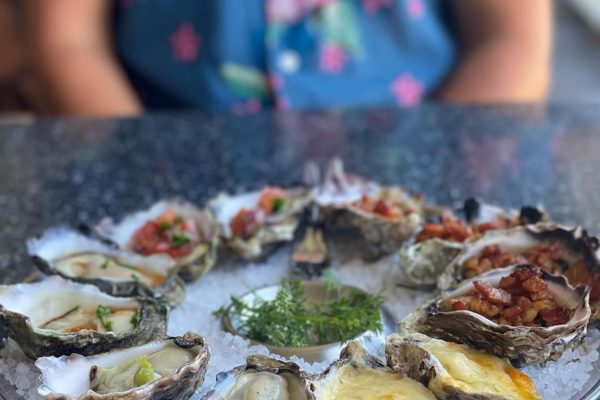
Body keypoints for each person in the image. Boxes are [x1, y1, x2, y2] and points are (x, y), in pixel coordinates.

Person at [25, 0, 552, 117]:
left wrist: (436, 195)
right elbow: (68, 42)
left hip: (422, 150)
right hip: (159, 144)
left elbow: (511, 42)